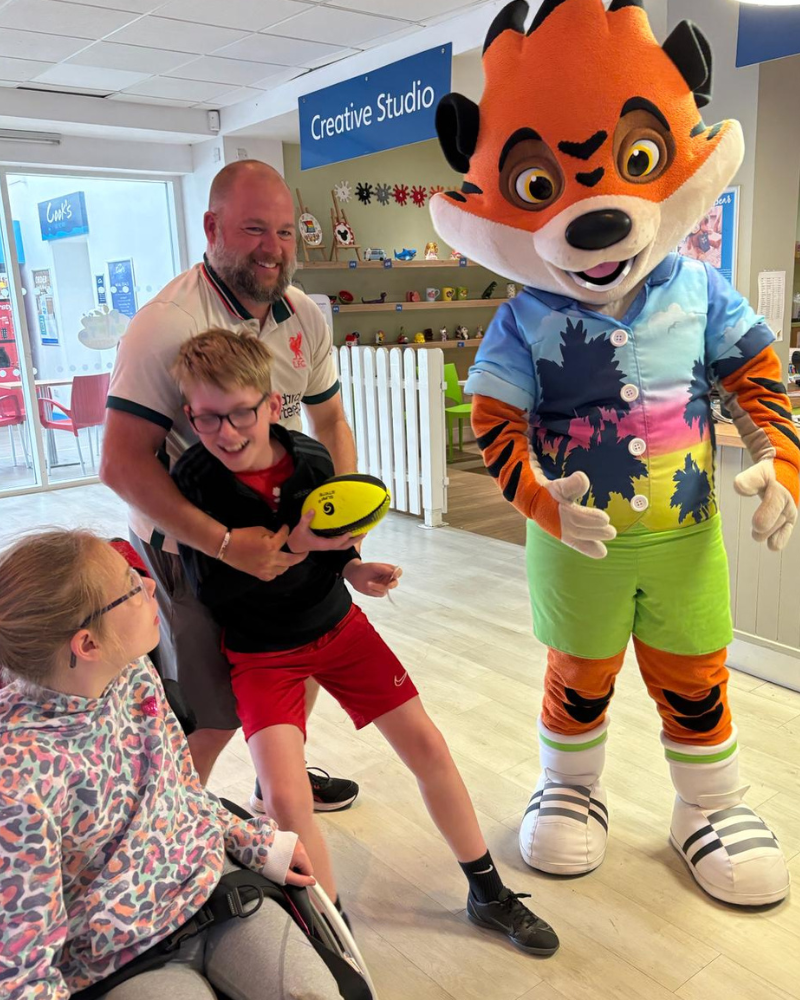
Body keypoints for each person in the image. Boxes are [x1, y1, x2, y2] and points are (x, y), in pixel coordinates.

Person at [169, 329, 560, 956]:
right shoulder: (191, 482)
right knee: (287, 799)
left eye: (241, 410)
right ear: (190, 415)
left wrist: (351, 567)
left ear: (272, 403)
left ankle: (487, 890)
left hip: (337, 627)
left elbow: (332, 546)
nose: (228, 431)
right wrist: (296, 545)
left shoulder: (312, 462)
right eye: (208, 417)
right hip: (259, 655)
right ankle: (333, 935)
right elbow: (218, 595)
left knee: (427, 745)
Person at [100, 160, 359, 810]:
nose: (273, 248)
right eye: (253, 230)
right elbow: (122, 465)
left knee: (297, 660)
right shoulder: (165, 325)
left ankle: (281, 785)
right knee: (214, 708)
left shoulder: (303, 315)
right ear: (212, 227)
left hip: (283, 529)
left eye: (285, 231)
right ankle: (167, 836)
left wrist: (342, 510)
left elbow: (329, 417)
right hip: (192, 545)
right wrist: (221, 542)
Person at [0, 529, 348, 1000]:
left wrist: (247, 835)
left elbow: (179, 788)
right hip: (115, 957)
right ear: (87, 644)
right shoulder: (18, 778)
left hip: (206, 886)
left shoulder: (135, 675)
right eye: (130, 583)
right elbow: (20, 967)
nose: (149, 585)